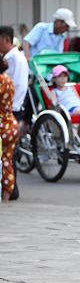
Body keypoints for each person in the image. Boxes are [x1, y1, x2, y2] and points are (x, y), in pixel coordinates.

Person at [0, 26, 30, 201]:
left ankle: (11, 191)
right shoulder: (16, 58)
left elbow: (18, 88)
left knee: (8, 158)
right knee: (8, 157)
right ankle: (9, 191)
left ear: (5, 39)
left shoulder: (15, 60)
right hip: (11, 114)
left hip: (9, 112)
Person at [0, 59, 18, 202]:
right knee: (7, 161)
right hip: (11, 123)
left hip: (1, 127)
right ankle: (6, 197)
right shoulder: (7, 78)